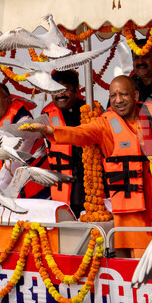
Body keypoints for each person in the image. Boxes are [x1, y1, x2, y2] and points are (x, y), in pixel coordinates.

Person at [23, 76, 152, 258]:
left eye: (123, 94)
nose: (118, 100)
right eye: (113, 96)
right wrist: (48, 130)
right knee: (141, 264)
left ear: (135, 95)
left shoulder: (151, 113)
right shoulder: (106, 123)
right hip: (132, 212)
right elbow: (80, 133)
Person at [36, 70, 87, 216]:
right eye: (55, 91)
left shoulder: (91, 111)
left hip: (90, 188)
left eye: (65, 90)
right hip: (60, 192)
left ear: (77, 90)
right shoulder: (46, 116)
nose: (60, 95)